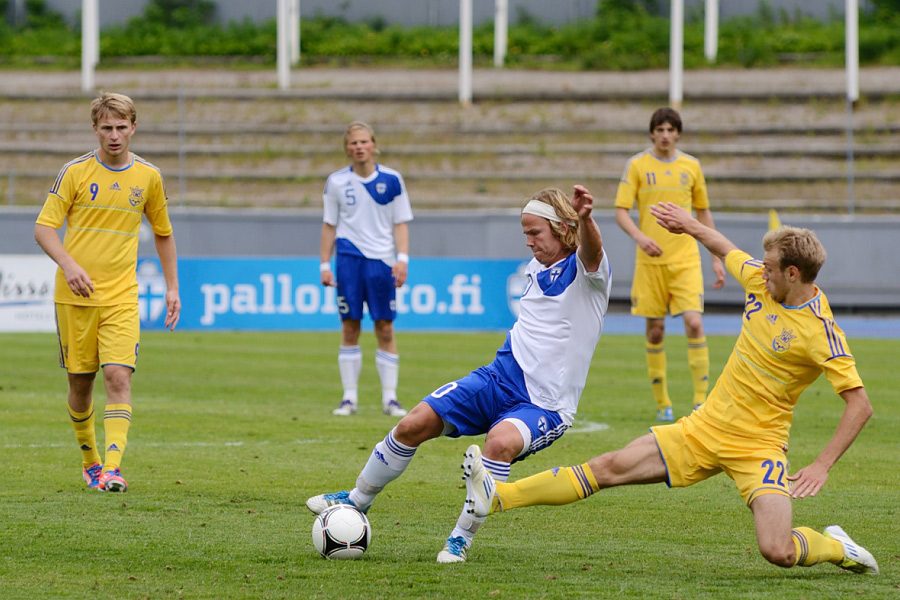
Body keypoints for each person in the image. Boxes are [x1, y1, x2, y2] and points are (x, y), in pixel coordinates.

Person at [461, 202, 878, 575]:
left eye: (769, 268)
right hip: (703, 429)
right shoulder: (759, 280)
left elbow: (859, 405)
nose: (759, 270)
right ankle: (496, 497)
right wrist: (687, 224)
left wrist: (822, 464)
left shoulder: (821, 333)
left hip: (759, 446)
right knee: (606, 468)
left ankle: (835, 545)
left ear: (793, 273)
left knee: (778, 551)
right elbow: (723, 246)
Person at [307, 185, 612, 563]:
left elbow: (593, 251)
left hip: (545, 405)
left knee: (499, 442)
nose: (529, 242)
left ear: (562, 228)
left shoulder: (588, 273)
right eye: (525, 233)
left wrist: (585, 219)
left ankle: (459, 539)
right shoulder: (536, 268)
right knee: (413, 423)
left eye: (535, 233)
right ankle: (357, 500)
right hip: (498, 378)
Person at [34, 92, 180, 493]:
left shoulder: (148, 177)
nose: (114, 136)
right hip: (74, 298)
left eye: (121, 127)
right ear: (95, 129)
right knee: (80, 385)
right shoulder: (75, 172)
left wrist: (172, 288)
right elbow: (44, 228)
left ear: (134, 127)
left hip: (120, 297)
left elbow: (164, 234)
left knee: (117, 376)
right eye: (106, 128)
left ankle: (113, 469)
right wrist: (69, 264)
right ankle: (91, 462)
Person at [615, 107, 726, 421]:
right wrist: (640, 237)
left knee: (694, 323)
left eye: (670, 130)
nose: (665, 135)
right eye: (659, 129)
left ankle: (701, 401)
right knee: (656, 331)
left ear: (678, 133)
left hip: (686, 261)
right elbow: (621, 210)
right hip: (650, 264)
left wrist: (715, 256)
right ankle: (663, 404)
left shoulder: (691, 167)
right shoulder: (636, 165)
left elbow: (703, 213)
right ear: (652, 133)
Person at [320, 121, 413, 417]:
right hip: (348, 259)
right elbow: (329, 225)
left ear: (373, 145)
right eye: (353, 143)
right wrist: (325, 263)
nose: (359, 147)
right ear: (347, 148)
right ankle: (349, 398)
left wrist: (402, 259)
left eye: (363, 142)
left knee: (385, 327)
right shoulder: (335, 182)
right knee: (350, 325)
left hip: (382, 262)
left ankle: (390, 399)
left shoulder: (392, 179)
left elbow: (400, 223)